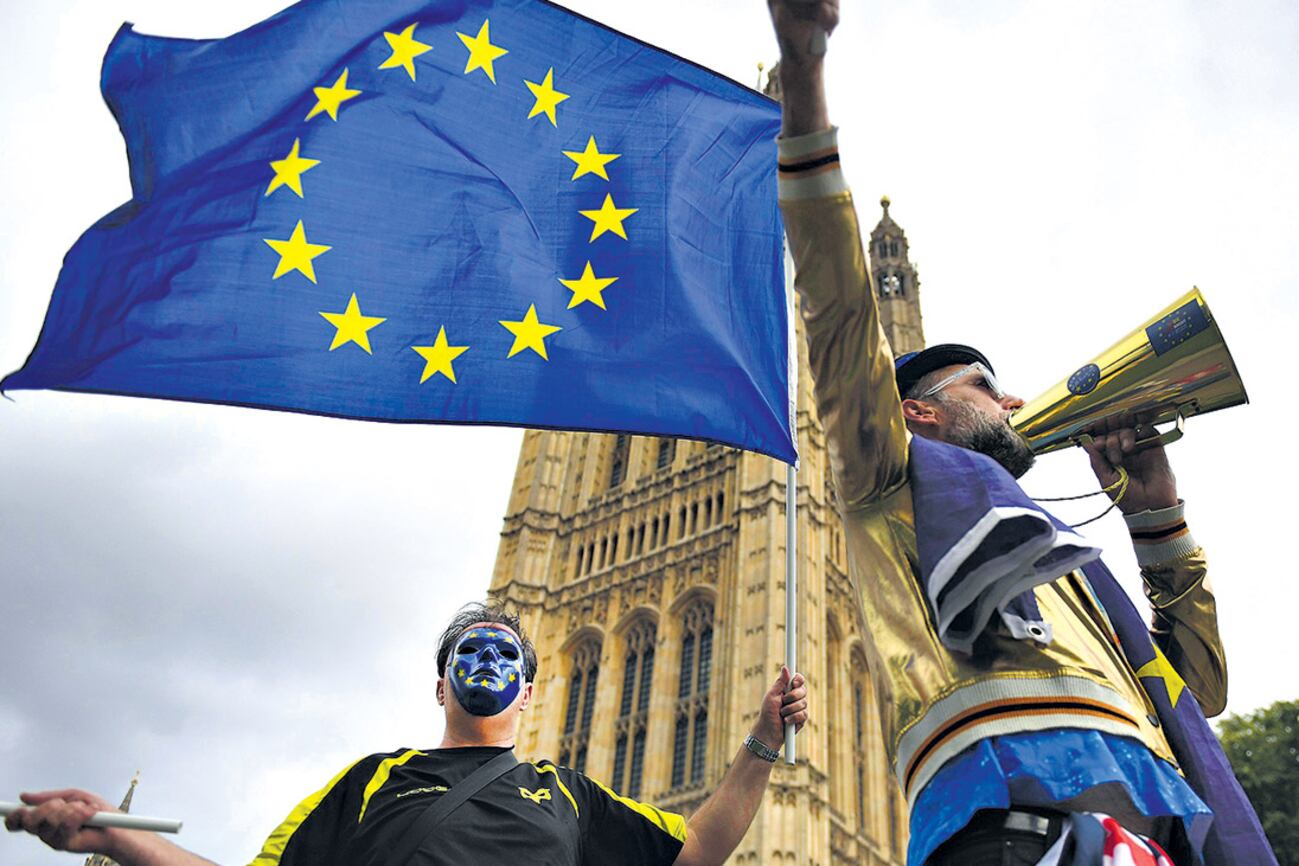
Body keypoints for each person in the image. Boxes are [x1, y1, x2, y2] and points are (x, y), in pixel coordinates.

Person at [765, 2, 1275, 864]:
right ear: (918, 413)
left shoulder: (1043, 556)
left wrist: (1156, 514)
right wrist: (805, 74)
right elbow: (839, 307)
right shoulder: (885, 484)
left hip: (1154, 838)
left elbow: (1199, 693)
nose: (1013, 403)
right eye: (986, 390)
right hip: (1010, 826)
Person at [6, 603, 809, 866]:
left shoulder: (570, 799)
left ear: (529, 690)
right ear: (439, 684)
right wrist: (112, 835)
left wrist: (763, 741)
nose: (487, 658)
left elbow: (699, 849)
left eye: (505, 651)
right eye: (471, 648)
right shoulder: (370, 780)